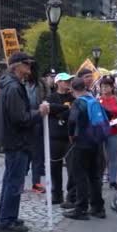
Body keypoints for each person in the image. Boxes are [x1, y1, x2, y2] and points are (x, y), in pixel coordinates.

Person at [0, 52, 50, 232]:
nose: (29, 67)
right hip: (17, 141)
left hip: (14, 140)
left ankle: (7, 217)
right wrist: (39, 112)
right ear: (16, 66)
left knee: (11, 180)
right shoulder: (14, 87)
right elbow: (20, 118)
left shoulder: (9, 84)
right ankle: (6, 221)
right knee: (14, 182)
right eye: (26, 64)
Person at [63, 77, 106, 220]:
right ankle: (98, 207)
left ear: (73, 89)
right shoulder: (93, 100)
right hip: (96, 142)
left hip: (82, 143)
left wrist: (70, 136)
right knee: (94, 175)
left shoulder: (78, 103)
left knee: (80, 175)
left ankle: (81, 208)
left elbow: (72, 121)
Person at [47, 73, 75, 205]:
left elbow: (73, 111)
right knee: (55, 167)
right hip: (55, 136)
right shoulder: (51, 96)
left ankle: (71, 196)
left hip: (69, 136)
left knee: (72, 167)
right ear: (58, 82)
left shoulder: (72, 97)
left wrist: (60, 113)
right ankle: (56, 194)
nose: (68, 83)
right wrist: (64, 108)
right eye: (65, 81)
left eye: (69, 80)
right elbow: (49, 108)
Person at [98, 75, 117, 190]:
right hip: (100, 133)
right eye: (102, 87)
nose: (104, 89)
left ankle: (113, 180)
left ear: (112, 87)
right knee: (100, 158)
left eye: (106, 86)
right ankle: (98, 179)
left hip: (114, 132)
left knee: (113, 157)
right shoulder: (97, 100)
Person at [25, 70, 51, 193]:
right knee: (23, 154)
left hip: (37, 119)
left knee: (37, 155)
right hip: (23, 120)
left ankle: (36, 183)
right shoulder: (20, 83)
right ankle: (19, 182)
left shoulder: (41, 84)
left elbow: (47, 97)